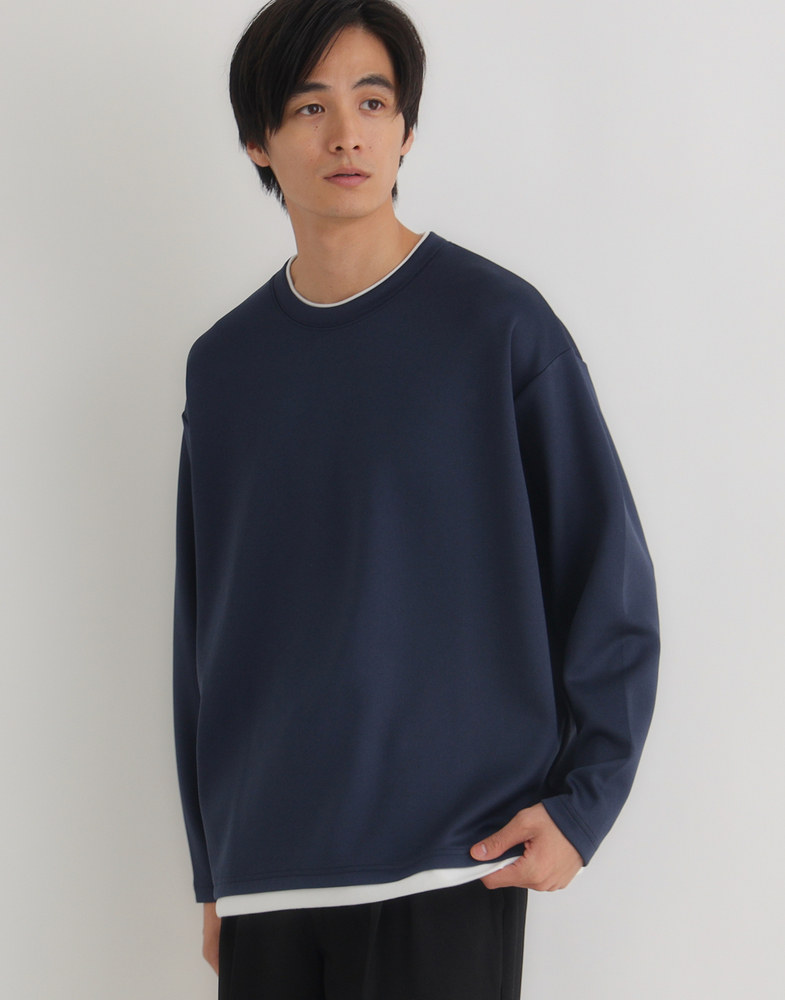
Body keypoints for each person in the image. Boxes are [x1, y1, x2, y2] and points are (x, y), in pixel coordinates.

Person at [172, 1, 661, 997]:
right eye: (309, 106)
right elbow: (205, 631)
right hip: (267, 871)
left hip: (444, 861)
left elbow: (603, 574)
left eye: (371, 101)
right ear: (259, 140)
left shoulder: (499, 327)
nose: (345, 133)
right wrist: (214, 867)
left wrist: (585, 803)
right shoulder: (223, 368)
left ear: (404, 130)